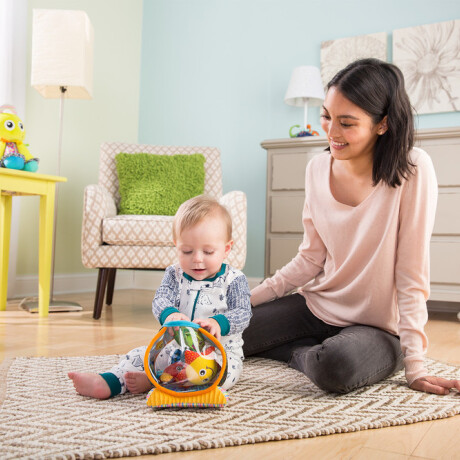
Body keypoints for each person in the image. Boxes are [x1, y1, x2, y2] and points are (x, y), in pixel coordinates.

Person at [243, 58, 460, 396]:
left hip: (378, 328)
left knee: (336, 366)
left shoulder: (414, 168)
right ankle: (310, 349)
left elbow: (411, 272)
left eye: (346, 123)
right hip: (318, 305)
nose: (331, 132)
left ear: (382, 124)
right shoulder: (317, 168)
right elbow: (310, 259)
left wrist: (415, 363)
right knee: (223, 332)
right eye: (327, 116)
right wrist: (244, 301)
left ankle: (307, 353)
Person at [69, 195, 252, 398]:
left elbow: (243, 312)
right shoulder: (174, 274)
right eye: (187, 250)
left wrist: (218, 323)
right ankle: (108, 381)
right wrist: (170, 314)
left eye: (208, 252)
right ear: (176, 245)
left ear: (226, 249)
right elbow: (161, 299)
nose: (197, 259)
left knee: (219, 375)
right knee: (140, 355)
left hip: (218, 354)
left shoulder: (234, 279)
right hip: (174, 346)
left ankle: (154, 380)